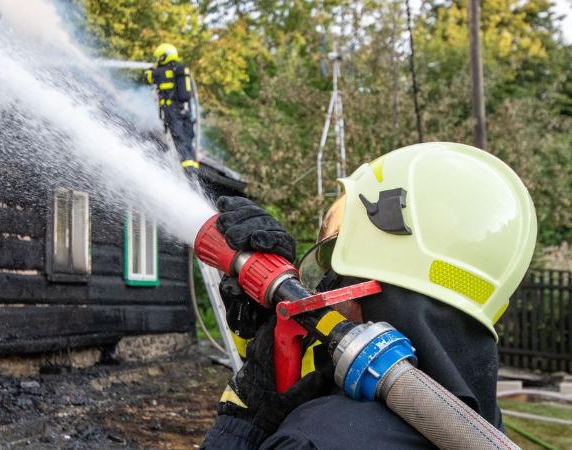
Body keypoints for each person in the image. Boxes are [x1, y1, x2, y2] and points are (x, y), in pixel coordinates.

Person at [201, 142, 537, 449]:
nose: (327, 292)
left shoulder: (313, 441)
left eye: (338, 271)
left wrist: (244, 422)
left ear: (374, 289)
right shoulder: (476, 418)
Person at [144, 43, 198, 174]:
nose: (158, 60)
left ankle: (185, 167)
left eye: (160, 58)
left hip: (172, 109)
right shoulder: (181, 70)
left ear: (165, 57)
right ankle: (191, 165)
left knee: (178, 137)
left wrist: (152, 69)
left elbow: (147, 78)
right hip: (186, 110)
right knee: (188, 137)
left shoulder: (160, 72)